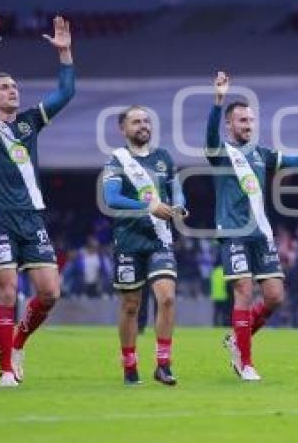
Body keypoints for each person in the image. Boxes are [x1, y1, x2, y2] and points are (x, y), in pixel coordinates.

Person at [0, 17, 75, 388]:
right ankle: (6, 370)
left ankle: (19, 342)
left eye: (15, 86)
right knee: (8, 291)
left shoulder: (29, 122)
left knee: (49, 292)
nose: (14, 91)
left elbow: (66, 93)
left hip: (32, 217)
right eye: (5, 87)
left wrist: (64, 52)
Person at [210, 71, 298, 381]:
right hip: (233, 233)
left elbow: (295, 162)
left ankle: (236, 340)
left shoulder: (260, 154)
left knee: (274, 297)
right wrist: (218, 101)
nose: (248, 125)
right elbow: (207, 136)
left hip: (261, 234)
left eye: (251, 120)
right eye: (242, 120)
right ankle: (245, 362)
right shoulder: (220, 152)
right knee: (243, 290)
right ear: (229, 124)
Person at [101, 105, 186, 385]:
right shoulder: (117, 160)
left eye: (147, 121)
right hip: (128, 240)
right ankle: (129, 365)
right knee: (130, 305)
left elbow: (175, 188)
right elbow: (112, 199)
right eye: (136, 122)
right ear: (123, 129)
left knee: (168, 297)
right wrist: (150, 206)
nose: (143, 126)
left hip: (160, 238)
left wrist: (179, 206)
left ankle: (163, 365)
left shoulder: (163, 157)